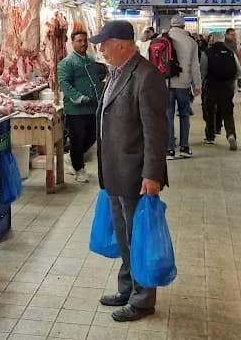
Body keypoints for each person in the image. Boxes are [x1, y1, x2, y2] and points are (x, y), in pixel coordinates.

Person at [90, 20, 168, 323]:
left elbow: (156, 132)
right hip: (115, 173)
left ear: (122, 44)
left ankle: (143, 299)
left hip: (136, 174)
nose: (101, 50)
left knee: (139, 238)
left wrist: (153, 175)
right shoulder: (117, 72)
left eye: (105, 44)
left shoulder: (146, 76)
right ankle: (127, 288)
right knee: (124, 236)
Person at [58, 30, 106, 183]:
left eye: (85, 40)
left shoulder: (90, 60)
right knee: (77, 139)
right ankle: (79, 169)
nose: (83, 43)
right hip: (76, 110)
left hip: (92, 107)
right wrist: (78, 97)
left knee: (92, 136)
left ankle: (72, 157)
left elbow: (98, 76)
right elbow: (64, 83)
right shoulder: (67, 63)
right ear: (72, 43)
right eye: (79, 41)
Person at [165, 15, 201, 159]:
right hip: (184, 84)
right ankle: (184, 148)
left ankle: (170, 149)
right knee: (184, 114)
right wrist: (197, 85)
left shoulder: (164, 39)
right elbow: (195, 67)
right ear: (184, 26)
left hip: (166, 83)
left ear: (171, 25)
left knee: (168, 115)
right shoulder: (191, 42)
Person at [200, 32, 241, 150]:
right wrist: (232, 82)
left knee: (209, 110)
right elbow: (238, 71)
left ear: (213, 39)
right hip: (227, 87)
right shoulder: (230, 52)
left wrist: (201, 85)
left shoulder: (207, 53)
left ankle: (210, 136)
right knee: (228, 112)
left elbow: (203, 71)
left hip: (211, 86)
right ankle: (231, 134)